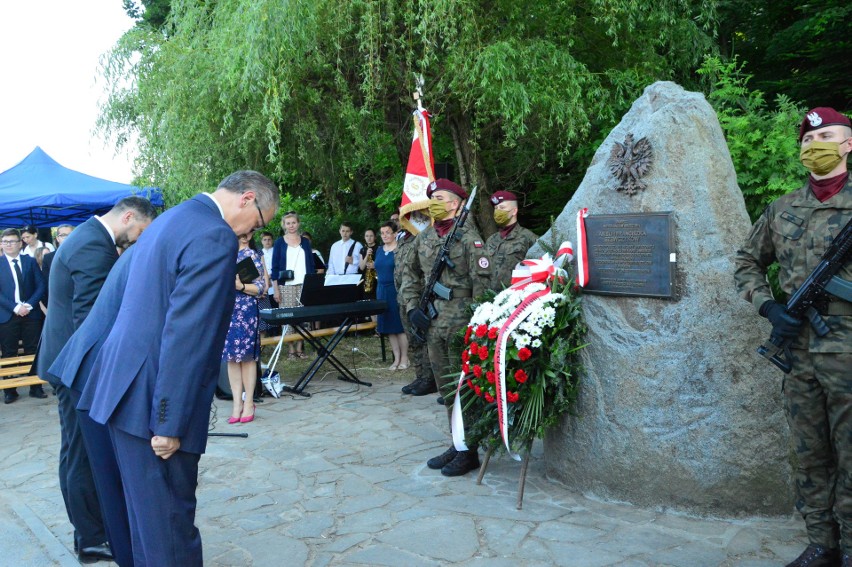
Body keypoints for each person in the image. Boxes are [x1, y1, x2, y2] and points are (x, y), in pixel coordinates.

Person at [80, 170, 279, 566]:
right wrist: (169, 422)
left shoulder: (171, 218)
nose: (249, 232)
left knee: (146, 528)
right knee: (169, 532)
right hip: (153, 403)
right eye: (257, 221)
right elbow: (186, 334)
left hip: (123, 389)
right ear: (247, 198)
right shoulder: (213, 234)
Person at [734, 107, 852, 567]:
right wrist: (768, 305)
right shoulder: (782, 208)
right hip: (800, 352)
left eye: (826, 138)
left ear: (848, 144)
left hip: (848, 355)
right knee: (807, 453)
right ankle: (823, 544)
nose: (814, 147)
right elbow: (746, 261)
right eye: (806, 141)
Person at [36, 196, 156, 565]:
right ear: (129, 217)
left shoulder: (89, 236)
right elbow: (92, 322)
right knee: (81, 454)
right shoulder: (92, 243)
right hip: (75, 368)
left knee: (77, 451)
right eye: (140, 233)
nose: (138, 241)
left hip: (66, 359)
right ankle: (90, 538)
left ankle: (89, 530)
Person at [400, 179, 491, 476]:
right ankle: (458, 442)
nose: (433, 202)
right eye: (432, 198)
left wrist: (480, 324)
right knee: (447, 388)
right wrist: (413, 307)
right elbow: (410, 275)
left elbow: (483, 284)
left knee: (465, 387)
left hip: (462, 320)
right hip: (433, 320)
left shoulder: (469, 238)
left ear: (455, 203)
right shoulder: (424, 238)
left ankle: (470, 449)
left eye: (440, 198)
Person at [223, 231, 266, 423]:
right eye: (242, 232)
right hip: (227, 311)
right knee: (231, 358)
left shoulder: (251, 255)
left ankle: (248, 402)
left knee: (247, 358)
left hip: (246, 311)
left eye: (249, 233)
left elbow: (260, 288)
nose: (246, 236)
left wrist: (240, 286)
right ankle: (236, 404)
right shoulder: (224, 254)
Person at [0, 228, 47, 403]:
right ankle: (10, 390)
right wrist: (15, 307)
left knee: (33, 350)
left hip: (31, 314)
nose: (8, 245)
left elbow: (40, 285)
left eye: (12, 241)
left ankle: (36, 387)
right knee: (9, 352)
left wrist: (28, 305)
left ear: (20, 243)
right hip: (7, 315)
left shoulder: (30, 261)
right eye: (5, 242)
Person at [396, 223, 436, 398]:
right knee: (412, 339)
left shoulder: (422, 237)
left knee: (423, 338)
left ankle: (429, 379)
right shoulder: (402, 239)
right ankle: (420, 376)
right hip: (404, 296)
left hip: (419, 296)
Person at [271, 212, 316, 358]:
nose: (291, 226)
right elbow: (275, 267)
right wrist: (276, 289)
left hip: (304, 284)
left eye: (293, 222)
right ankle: (290, 349)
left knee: (303, 318)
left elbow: (311, 264)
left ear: (298, 223)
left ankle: (300, 348)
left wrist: (312, 285)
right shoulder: (279, 243)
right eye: (288, 223)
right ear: (284, 225)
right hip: (286, 286)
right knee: (288, 317)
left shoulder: (305, 242)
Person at [484, 191, 538, 290]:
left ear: (514, 211)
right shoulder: (491, 240)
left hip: (515, 299)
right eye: (496, 208)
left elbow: (538, 271)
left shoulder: (528, 238)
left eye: (502, 208)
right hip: (490, 299)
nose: (498, 211)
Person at [375, 222, 409, 370]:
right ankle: (396, 358)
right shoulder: (378, 250)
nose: (385, 236)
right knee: (388, 326)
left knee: (399, 326)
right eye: (382, 233)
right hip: (381, 290)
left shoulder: (400, 249)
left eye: (388, 232)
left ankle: (405, 358)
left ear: (395, 233)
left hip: (396, 289)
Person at [40, 224, 75, 312]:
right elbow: (46, 283)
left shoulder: (83, 255)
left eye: (70, 234)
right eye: (63, 235)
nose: (67, 238)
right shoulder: (48, 258)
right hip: (59, 304)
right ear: (57, 238)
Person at [257, 231, 278, 336]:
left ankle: (276, 332)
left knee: (276, 306)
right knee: (267, 307)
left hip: (275, 282)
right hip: (265, 284)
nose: (267, 241)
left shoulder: (276, 251)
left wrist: (270, 276)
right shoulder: (259, 253)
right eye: (265, 239)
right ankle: (268, 332)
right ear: (261, 241)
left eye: (269, 239)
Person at [359, 228, 379, 302]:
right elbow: (361, 267)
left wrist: (375, 265)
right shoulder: (363, 250)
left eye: (371, 236)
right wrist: (367, 255)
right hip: (367, 280)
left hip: (377, 280)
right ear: (364, 237)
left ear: (375, 237)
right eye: (367, 236)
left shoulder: (379, 248)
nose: (369, 238)